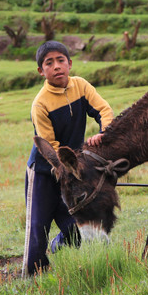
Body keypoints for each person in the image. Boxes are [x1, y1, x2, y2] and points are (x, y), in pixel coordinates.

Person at [23, 41, 114, 277]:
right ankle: (34, 276)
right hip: (45, 172)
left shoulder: (81, 86)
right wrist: (74, 168)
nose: (56, 67)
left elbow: (103, 110)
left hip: (73, 170)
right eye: (49, 63)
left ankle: (59, 246)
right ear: (41, 71)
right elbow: (50, 148)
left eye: (61, 60)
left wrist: (104, 134)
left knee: (75, 227)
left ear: (70, 64)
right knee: (37, 227)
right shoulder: (40, 104)